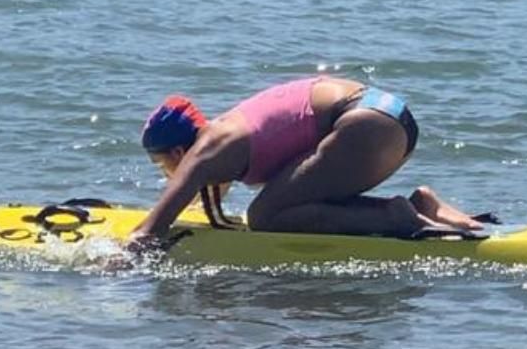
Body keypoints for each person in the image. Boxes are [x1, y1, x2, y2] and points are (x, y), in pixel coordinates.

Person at [130, 75, 492, 250]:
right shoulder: (227, 131)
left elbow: (148, 233)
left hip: (366, 125)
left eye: (163, 166)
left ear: (178, 154)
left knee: (264, 216)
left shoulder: (208, 151)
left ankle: (395, 217)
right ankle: (421, 204)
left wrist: (110, 264)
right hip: (389, 119)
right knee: (290, 201)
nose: (170, 175)